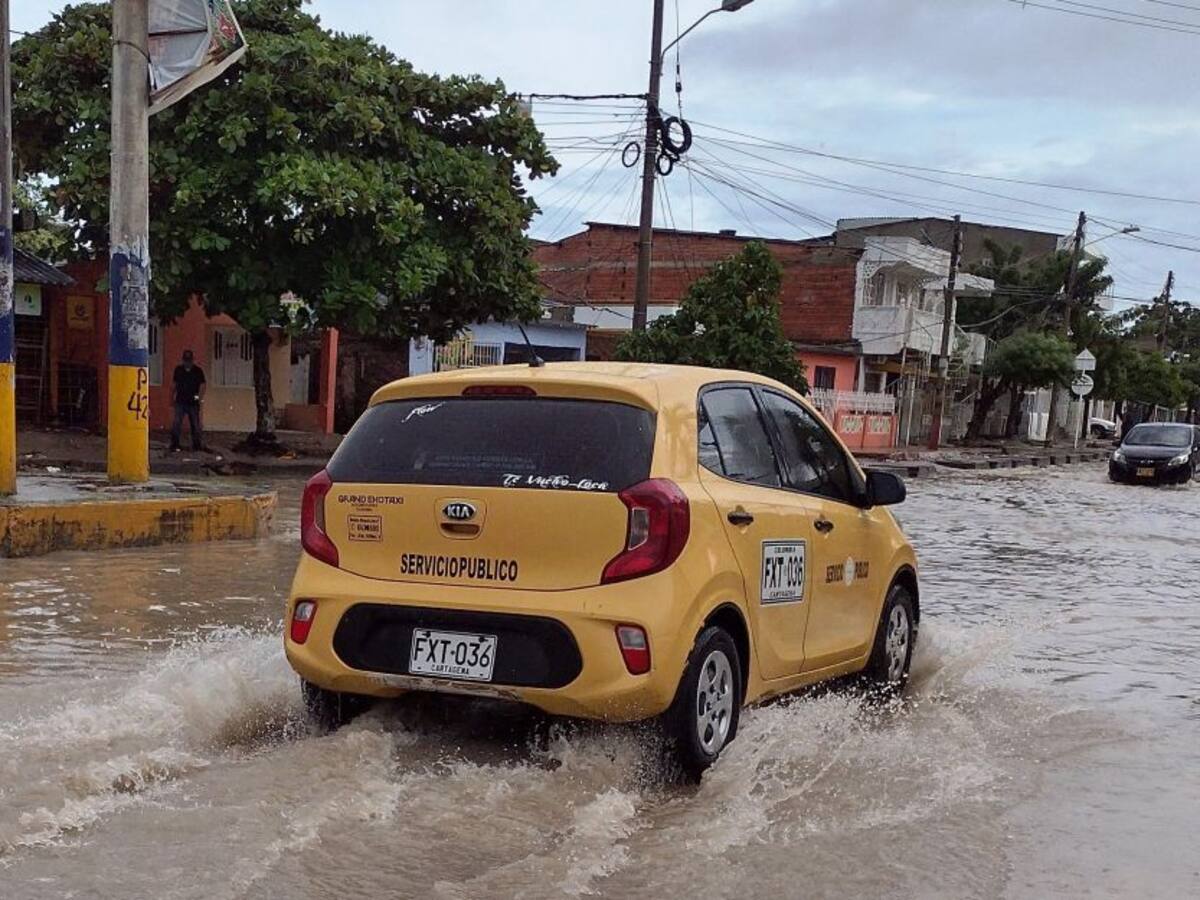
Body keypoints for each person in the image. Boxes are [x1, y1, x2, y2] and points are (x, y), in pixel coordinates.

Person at [170, 350, 207, 452]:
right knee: (176, 423)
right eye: (186, 360)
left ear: (192, 360)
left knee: (195, 424)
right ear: (183, 360)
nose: (187, 363)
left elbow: (203, 385)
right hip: (180, 401)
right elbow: (174, 385)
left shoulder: (198, 371)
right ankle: (174, 444)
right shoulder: (178, 370)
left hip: (192, 403)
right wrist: (171, 398)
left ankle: (197, 445)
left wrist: (198, 398)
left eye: (189, 360)